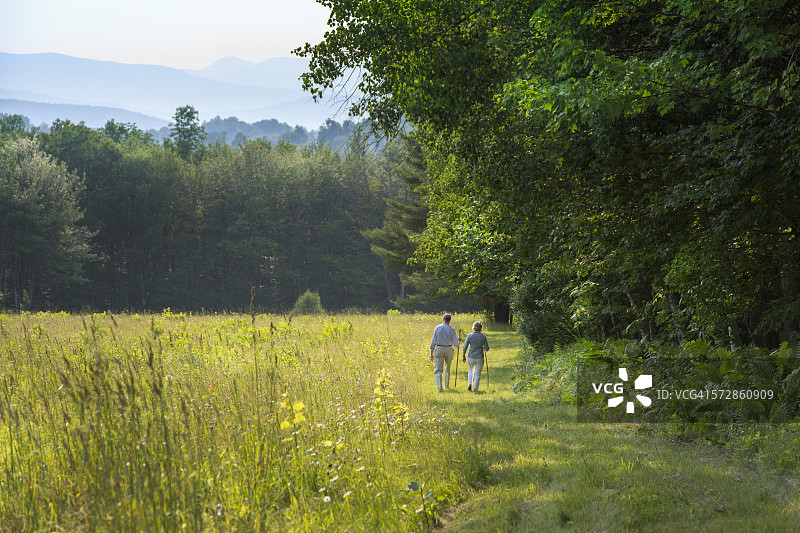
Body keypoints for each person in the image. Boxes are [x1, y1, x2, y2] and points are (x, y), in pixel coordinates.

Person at [429, 313, 460, 391]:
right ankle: (446, 386)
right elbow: (456, 344)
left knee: (438, 369)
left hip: (439, 348)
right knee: (447, 368)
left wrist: (431, 353)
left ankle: (439, 387)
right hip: (449, 349)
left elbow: (433, 341)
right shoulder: (452, 330)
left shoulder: (437, 328)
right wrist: (458, 340)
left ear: (443, 319)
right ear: (449, 320)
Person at [462, 321, 489, 392]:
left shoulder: (469, 336)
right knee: (477, 373)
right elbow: (487, 348)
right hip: (479, 357)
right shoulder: (483, 337)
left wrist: (463, 355)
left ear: (473, 328)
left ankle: (469, 384)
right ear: (481, 329)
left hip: (471, 356)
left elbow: (465, 346)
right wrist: (483, 347)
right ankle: (475, 389)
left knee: (470, 371)